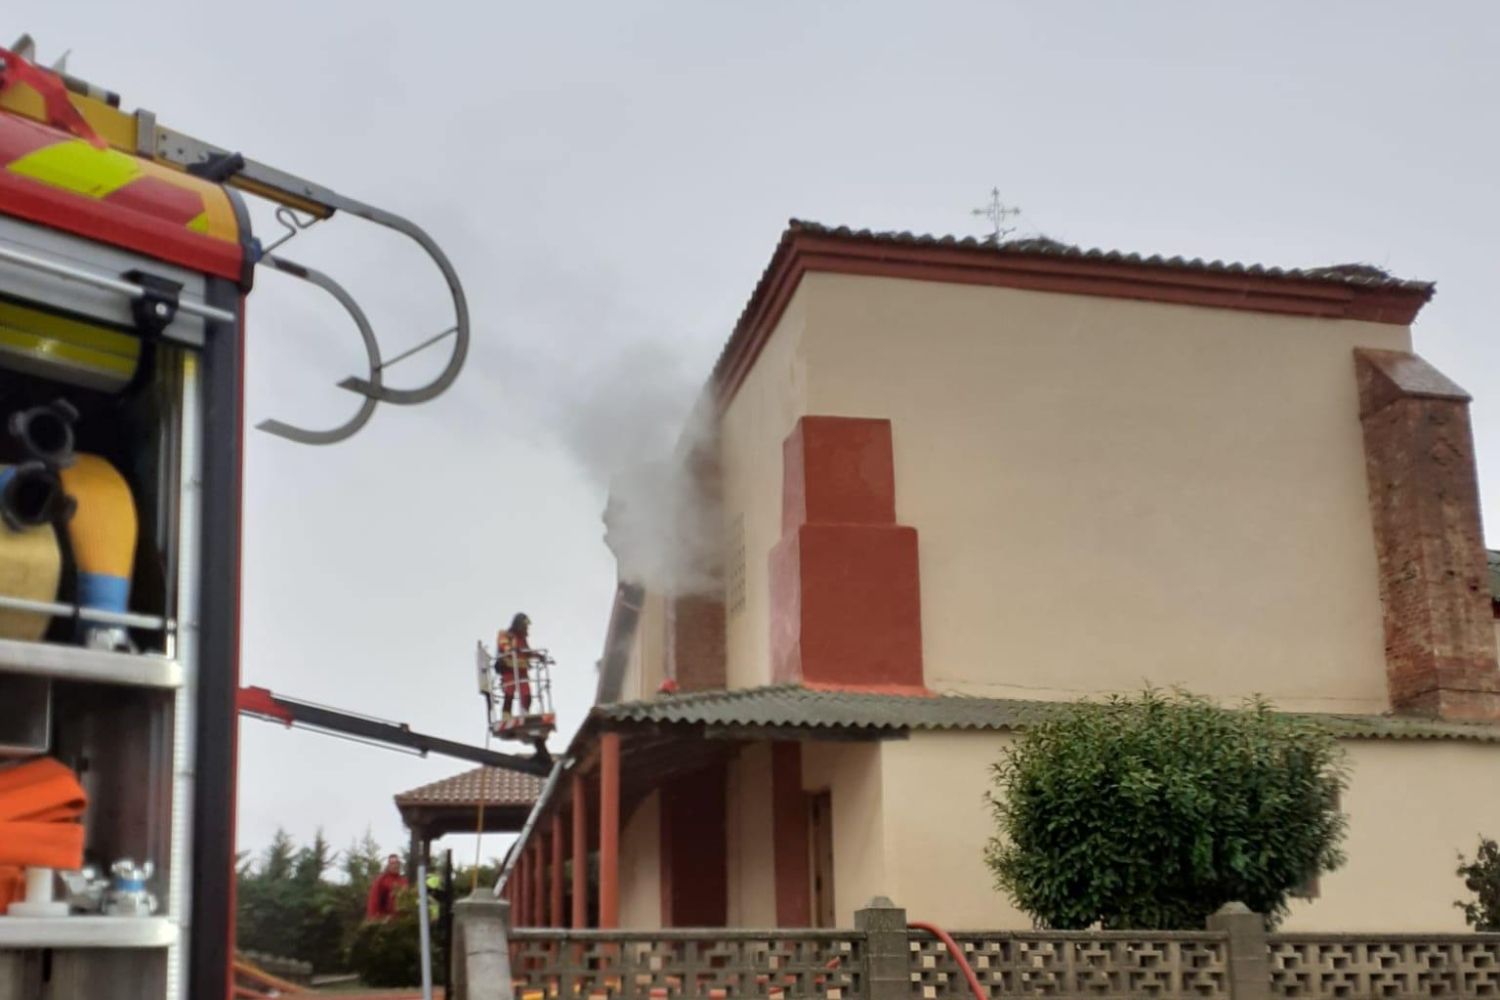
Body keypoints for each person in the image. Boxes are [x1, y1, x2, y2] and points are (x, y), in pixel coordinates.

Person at [496, 612, 535, 724]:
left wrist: (538, 656)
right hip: (509, 667)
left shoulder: (522, 639)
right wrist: (510, 649)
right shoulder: (506, 634)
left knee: (527, 693)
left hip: (521, 669)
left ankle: (525, 713)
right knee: (509, 693)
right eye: (525, 625)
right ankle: (506, 716)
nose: (526, 627)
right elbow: (504, 645)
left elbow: (527, 651)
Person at [365, 853, 407, 921]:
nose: (395, 866)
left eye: (397, 863)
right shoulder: (381, 881)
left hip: (403, 919)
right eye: (392, 863)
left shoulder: (404, 881)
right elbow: (374, 900)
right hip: (387, 919)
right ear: (388, 865)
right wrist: (373, 918)